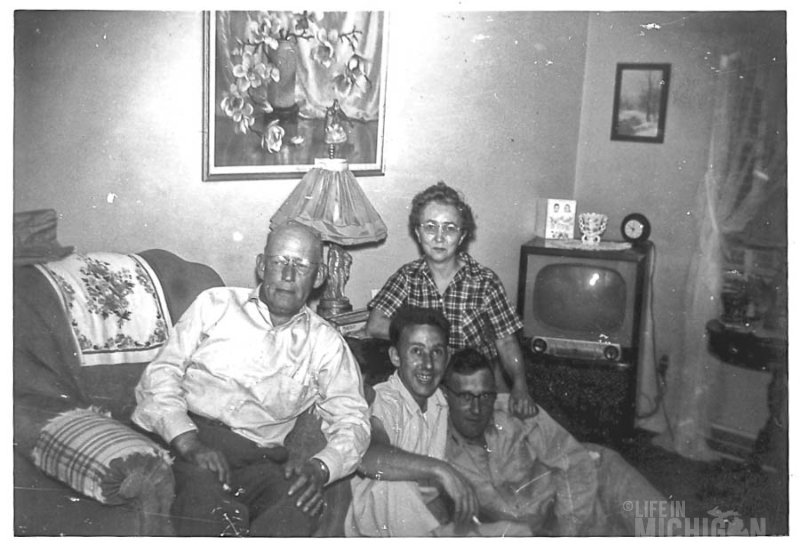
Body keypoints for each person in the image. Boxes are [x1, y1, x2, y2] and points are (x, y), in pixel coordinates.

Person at [132, 221, 370, 536]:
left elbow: (353, 419)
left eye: (300, 265)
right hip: (187, 443)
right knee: (205, 498)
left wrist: (320, 467)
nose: (287, 275)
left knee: (299, 502)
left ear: (320, 276)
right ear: (261, 266)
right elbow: (161, 374)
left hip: (256, 461)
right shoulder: (215, 304)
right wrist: (188, 441)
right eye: (278, 262)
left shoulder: (325, 344)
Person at [443, 348, 667, 536]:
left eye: (484, 396)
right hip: (554, 526)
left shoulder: (515, 410)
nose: (476, 408)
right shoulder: (438, 445)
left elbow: (573, 462)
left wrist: (566, 535)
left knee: (674, 533)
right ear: (446, 395)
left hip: (598, 477)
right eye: (465, 397)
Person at [365, 182, 536, 418]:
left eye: (449, 228)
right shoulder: (407, 277)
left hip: (473, 383)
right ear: (417, 232)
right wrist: (428, 341)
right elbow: (375, 324)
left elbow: (506, 342)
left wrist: (520, 386)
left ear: (462, 235)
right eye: (430, 227)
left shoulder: (484, 282)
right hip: (426, 381)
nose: (439, 237)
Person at [345, 306, 482, 537]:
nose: (428, 364)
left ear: (447, 357)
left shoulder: (443, 402)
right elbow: (368, 457)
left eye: (436, 352)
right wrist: (441, 470)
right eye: (416, 351)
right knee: (394, 484)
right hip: (375, 527)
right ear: (396, 356)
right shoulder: (385, 399)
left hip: (424, 520)